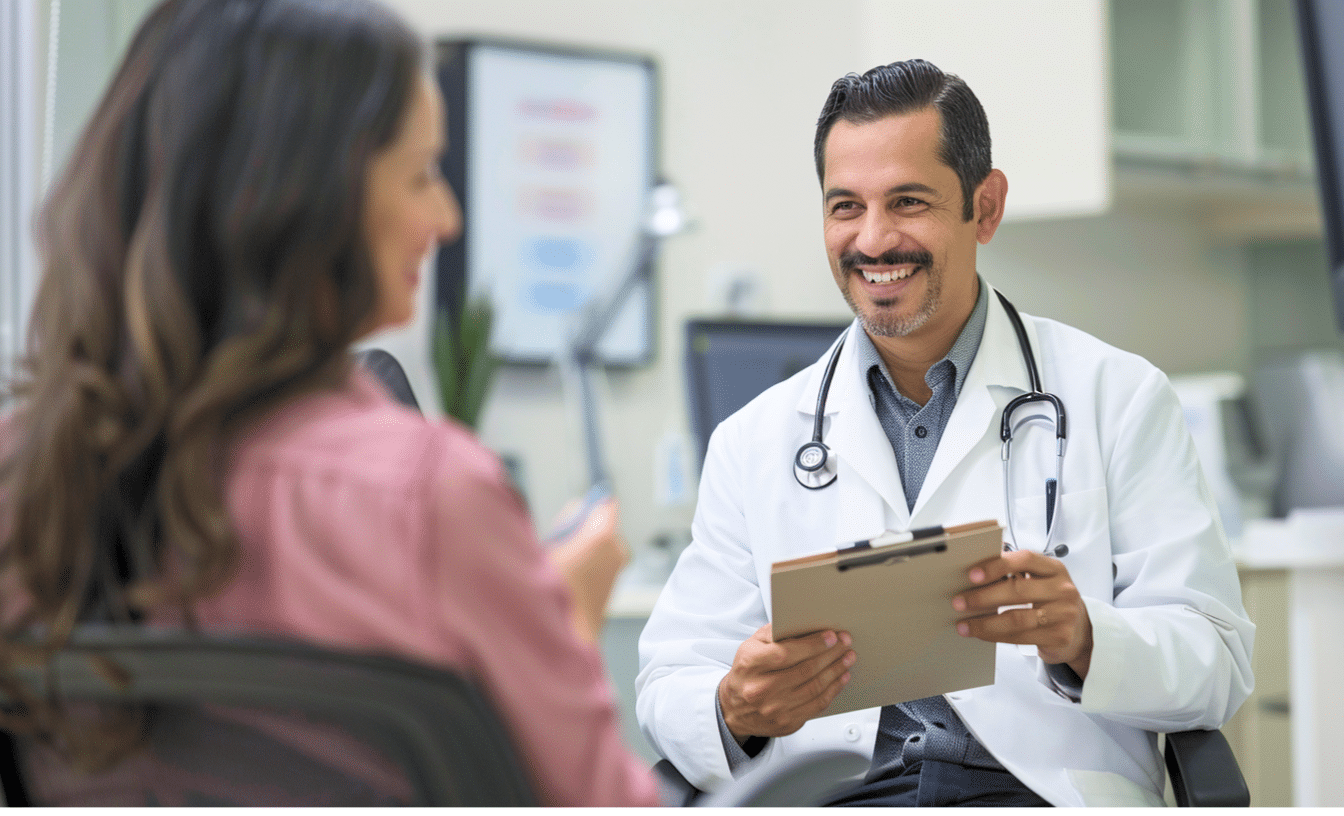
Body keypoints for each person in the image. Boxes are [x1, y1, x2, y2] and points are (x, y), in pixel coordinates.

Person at [0, 0, 658, 806]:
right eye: (421, 175)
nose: (446, 217)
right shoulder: (431, 500)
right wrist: (568, 625)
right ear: (305, 201)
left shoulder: (23, 476)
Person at [636, 59, 1255, 807]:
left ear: (984, 208)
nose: (873, 240)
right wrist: (736, 707)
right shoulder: (754, 441)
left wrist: (1086, 638)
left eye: (908, 201)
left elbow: (1216, 662)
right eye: (845, 206)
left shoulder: (1117, 397)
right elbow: (669, 680)